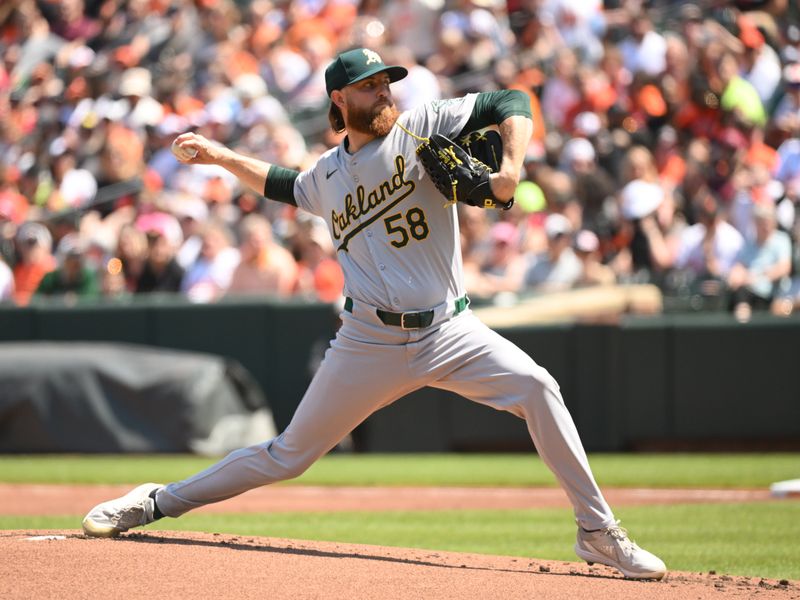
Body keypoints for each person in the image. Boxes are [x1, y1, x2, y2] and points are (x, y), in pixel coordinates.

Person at [81, 48, 666, 580]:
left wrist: (510, 166)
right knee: (288, 456)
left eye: (386, 82)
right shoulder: (328, 176)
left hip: (450, 329)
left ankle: (597, 531)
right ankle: (155, 501)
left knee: (538, 388)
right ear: (341, 100)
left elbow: (507, 100)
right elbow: (284, 184)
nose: (384, 92)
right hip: (367, 341)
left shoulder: (424, 126)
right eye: (369, 86)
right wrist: (220, 155)